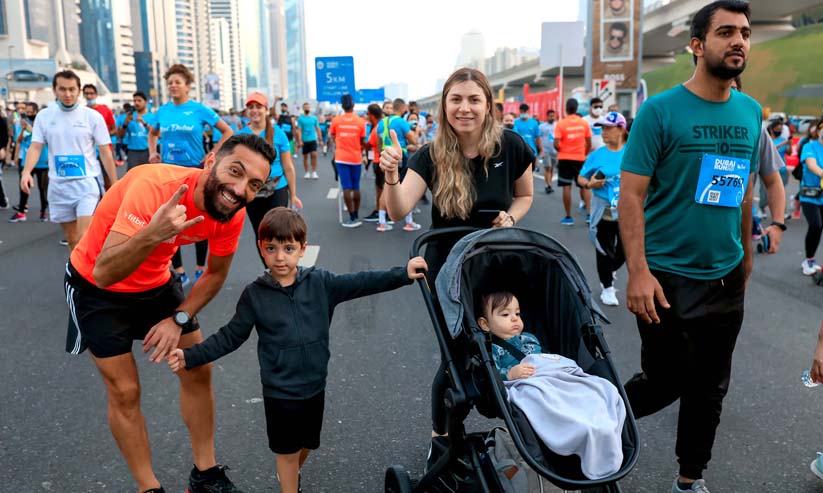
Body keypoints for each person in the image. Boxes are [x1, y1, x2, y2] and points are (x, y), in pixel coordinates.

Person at [64, 133, 273, 493]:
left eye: (253, 184)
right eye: (235, 172)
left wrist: (178, 318)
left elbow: (215, 273)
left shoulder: (230, 212)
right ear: (210, 161)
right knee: (125, 391)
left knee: (197, 367)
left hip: (156, 284)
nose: (240, 190)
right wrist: (151, 234)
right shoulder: (153, 185)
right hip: (96, 288)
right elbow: (105, 271)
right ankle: (149, 488)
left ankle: (205, 474)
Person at [166, 207, 427, 493]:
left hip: (314, 387)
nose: (280, 257)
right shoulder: (254, 295)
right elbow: (230, 336)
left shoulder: (321, 283)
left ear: (302, 249)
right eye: (272, 248)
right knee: (287, 454)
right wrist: (190, 356)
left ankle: (289, 473)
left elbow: (363, 281)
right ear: (261, 249)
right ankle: (289, 482)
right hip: (280, 393)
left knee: (307, 445)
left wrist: (403, 273)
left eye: (288, 248)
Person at [618, 2, 759, 491]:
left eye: (744, 32)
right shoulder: (659, 111)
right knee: (664, 381)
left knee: (709, 388)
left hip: (726, 275)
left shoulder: (750, 110)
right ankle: (589, 423)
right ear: (697, 46)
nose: (739, 40)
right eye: (725, 32)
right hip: (665, 277)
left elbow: (742, 190)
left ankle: (689, 478)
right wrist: (637, 272)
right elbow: (630, 196)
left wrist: (747, 252)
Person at [380, 67, 534, 440]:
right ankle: (443, 436)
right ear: (445, 105)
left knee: (507, 343)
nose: (464, 108)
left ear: (487, 106)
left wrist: (511, 216)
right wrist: (390, 174)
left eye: (473, 99)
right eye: (456, 99)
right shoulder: (430, 155)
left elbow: (525, 196)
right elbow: (398, 210)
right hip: (449, 272)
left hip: (498, 265)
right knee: (456, 358)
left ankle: (525, 421)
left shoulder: (510, 145)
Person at [148, 64, 234, 287]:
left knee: (198, 219)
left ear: (187, 86)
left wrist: (212, 153)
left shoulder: (199, 109)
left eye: (177, 82)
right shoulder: (163, 111)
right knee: (168, 220)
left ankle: (199, 268)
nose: (173, 86)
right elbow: (152, 132)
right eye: (170, 83)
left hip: (195, 171)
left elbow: (227, 131)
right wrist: (152, 152)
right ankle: (178, 270)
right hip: (168, 173)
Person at [20, 70, 117, 252]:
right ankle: (78, 277)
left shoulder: (92, 117)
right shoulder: (44, 116)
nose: (68, 94)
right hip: (58, 186)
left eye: (72, 89)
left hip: (86, 183)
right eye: (62, 89)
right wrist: (26, 172)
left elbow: (105, 151)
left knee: (83, 238)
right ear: (55, 90)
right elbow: (35, 146)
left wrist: (115, 183)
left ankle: (89, 279)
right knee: (72, 240)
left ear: (79, 91)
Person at [236, 92, 302, 266]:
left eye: (258, 107)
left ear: (266, 110)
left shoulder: (278, 134)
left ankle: (283, 266)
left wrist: (293, 195)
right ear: (247, 111)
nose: (254, 111)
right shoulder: (241, 135)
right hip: (253, 191)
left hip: (278, 188)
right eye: (251, 107)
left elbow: (288, 166)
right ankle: (269, 269)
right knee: (261, 234)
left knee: (279, 230)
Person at [578, 111, 627, 306]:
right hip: (604, 211)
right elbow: (580, 178)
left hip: (627, 212)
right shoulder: (596, 155)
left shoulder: (633, 152)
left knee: (625, 251)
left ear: (621, 129)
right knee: (604, 251)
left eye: (608, 128)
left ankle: (610, 269)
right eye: (602, 128)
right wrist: (590, 184)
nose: (604, 132)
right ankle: (607, 288)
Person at [377, 98, 421, 232]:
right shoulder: (401, 122)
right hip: (400, 157)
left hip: (385, 157)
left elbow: (378, 140)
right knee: (406, 188)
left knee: (387, 188)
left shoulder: (382, 122)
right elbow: (413, 139)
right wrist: (417, 130)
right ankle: (408, 222)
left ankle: (382, 222)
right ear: (402, 108)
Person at [477, 291, 541, 381]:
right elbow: (491, 375)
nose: (515, 318)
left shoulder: (530, 337)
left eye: (517, 313)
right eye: (505, 314)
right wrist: (510, 374)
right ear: (485, 324)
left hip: (545, 372)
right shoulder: (493, 349)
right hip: (525, 382)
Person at [330, 94, 367, 228]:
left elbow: (332, 136)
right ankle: (356, 215)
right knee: (355, 187)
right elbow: (363, 140)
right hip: (355, 157)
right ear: (353, 105)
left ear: (342, 106)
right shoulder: (361, 121)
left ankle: (352, 217)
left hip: (341, 157)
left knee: (346, 187)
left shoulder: (336, 120)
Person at [9, 102, 49, 222]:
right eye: (27, 112)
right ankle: (21, 211)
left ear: (37, 112)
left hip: (42, 160)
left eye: (32, 112)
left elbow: (46, 139)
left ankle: (43, 212)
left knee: (43, 188)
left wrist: (31, 129)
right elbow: (18, 140)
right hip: (28, 161)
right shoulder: (22, 123)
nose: (29, 114)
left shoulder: (43, 123)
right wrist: (22, 130)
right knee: (24, 186)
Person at [555, 98, 592, 226]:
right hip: (580, 158)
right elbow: (589, 142)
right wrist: (584, 153)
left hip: (564, 158)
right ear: (577, 109)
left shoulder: (561, 124)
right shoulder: (584, 123)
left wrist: (563, 150)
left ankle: (568, 217)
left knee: (566, 187)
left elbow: (556, 144)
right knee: (585, 186)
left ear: (566, 108)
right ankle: (589, 215)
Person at [798, 121, 823, 275]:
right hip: (809, 196)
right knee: (815, 225)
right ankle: (808, 260)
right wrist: (821, 173)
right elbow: (811, 164)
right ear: (818, 131)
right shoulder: (809, 146)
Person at [118, 91, 155, 170]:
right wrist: (125, 123)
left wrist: (144, 123)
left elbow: (156, 134)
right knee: (133, 177)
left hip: (148, 150)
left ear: (145, 102)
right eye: (134, 101)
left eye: (139, 100)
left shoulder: (152, 117)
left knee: (149, 177)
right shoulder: (129, 116)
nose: (136, 103)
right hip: (133, 152)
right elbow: (121, 136)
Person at [512, 103, 543, 171]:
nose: (523, 113)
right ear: (519, 111)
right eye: (522, 112)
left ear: (528, 111)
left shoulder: (534, 123)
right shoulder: (515, 122)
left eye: (525, 111)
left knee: (530, 173)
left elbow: (537, 137)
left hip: (532, 151)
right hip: (519, 151)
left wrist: (541, 149)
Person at [296, 102, 321, 179]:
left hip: (313, 139)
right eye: (305, 107)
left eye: (308, 107)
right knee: (305, 157)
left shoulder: (314, 118)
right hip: (304, 140)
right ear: (303, 109)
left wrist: (320, 139)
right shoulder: (300, 118)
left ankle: (314, 172)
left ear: (310, 108)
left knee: (314, 155)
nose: (307, 108)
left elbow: (317, 128)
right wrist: (299, 140)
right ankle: (307, 172)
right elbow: (299, 130)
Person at [539, 109, 559, 194]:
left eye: (553, 116)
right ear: (547, 116)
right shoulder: (542, 126)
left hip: (555, 150)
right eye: (550, 116)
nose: (552, 117)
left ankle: (549, 183)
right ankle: (548, 185)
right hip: (546, 150)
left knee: (552, 169)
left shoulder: (557, 125)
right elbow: (538, 138)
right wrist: (541, 150)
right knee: (548, 168)